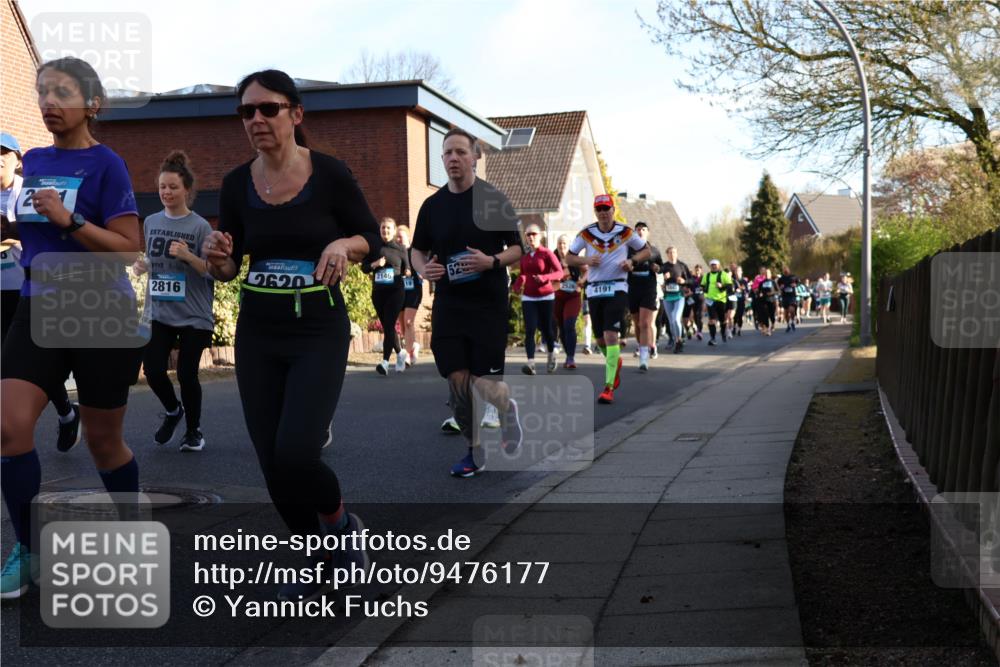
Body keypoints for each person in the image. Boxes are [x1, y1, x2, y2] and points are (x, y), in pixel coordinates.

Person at [202, 69, 379, 601]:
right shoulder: (236, 183)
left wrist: (342, 245)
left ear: (295, 114)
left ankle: (341, 525)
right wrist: (218, 256)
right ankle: (319, 548)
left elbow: (371, 238)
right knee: (273, 467)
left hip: (318, 330)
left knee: (297, 453)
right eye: (246, 111)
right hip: (259, 331)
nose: (256, 119)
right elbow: (228, 268)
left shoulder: (330, 174)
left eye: (268, 108)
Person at [1, 58, 144, 598]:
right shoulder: (35, 160)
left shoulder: (108, 165)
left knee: (104, 443)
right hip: (37, 305)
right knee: (8, 426)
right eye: (43, 93)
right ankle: (30, 549)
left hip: (99, 310)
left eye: (62, 93)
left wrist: (72, 220)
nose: (49, 103)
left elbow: (128, 248)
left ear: (92, 103)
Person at [410, 128, 524, 477]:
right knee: (458, 382)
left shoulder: (493, 200)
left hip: (487, 305)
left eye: (461, 152)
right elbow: (417, 250)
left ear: (475, 157)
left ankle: (507, 410)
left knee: (483, 384)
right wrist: (423, 270)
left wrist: (491, 261)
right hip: (449, 304)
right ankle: (474, 451)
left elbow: (517, 249)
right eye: (448, 153)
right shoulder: (433, 206)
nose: (454, 158)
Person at [1, 133, 81, 453]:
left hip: (27, 288)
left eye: (4, 154)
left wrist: (10, 232)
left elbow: (45, 232)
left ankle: (64, 412)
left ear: (17, 160)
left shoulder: (28, 191)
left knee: (31, 363)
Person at [132, 151, 215, 452]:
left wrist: (188, 256)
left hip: (194, 312)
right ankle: (172, 410)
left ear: (187, 190)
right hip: (160, 310)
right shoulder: (151, 221)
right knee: (153, 370)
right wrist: (144, 265)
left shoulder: (201, 227)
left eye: (173, 187)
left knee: (186, 373)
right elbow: (154, 258)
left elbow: (213, 271)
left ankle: (194, 431)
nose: (166, 192)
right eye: (162, 187)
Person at [565, 194, 650, 404]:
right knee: (600, 339)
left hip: (618, 287)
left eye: (606, 208)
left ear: (613, 210)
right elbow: (569, 257)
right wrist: (586, 259)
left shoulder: (625, 231)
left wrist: (632, 261)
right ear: (596, 212)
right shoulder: (587, 233)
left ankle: (608, 387)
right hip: (594, 289)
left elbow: (646, 251)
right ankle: (615, 360)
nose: (603, 213)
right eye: (599, 209)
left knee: (611, 335)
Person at [511, 223, 562, 375]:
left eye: (534, 234)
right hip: (529, 297)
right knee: (530, 329)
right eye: (528, 235)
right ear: (525, 237)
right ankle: (531, 363)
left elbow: (559, 272)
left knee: (547, 329)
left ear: (540, 236)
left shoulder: (547, 253)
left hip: (546, 296)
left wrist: (545, 277)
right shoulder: (525, 256)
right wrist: (516, 285)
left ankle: (551, 355)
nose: (531, 237)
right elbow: (523, 274)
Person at [362, 217, 409, 374]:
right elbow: (364, 268)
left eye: (389, 228)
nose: (385, 230)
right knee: (388, 326)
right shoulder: (374, 248)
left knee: (389, 324)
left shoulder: (401, 249)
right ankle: (400, 353)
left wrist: (408, 272)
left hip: (396, 292)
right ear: (380, 230)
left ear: (394, 230)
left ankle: (385, 362)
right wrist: (375, 264)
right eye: (383, 228)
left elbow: (408, 268)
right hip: (378, 293)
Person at [626, 221, 663, 372]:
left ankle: (644, 358)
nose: (641, 231)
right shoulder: (628, 249)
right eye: (638, 229)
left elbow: (661, 267)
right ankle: (641, 347)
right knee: (637, 324)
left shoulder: (654, 250)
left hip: (649, 288)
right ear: (635, 232)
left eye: (643, 229)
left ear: (648, 232)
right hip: (633, 287)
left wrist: (657, 268)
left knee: (645, 323)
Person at [553, 234, 585, 369]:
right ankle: (568, 355)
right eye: (560, 243)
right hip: (557, 297)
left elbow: (588, 271)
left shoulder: (574, 258)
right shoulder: (552, 258)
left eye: (564, 243)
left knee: (569, 325)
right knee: (561, 327)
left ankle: (571, 358)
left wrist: (582, 281)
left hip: (573, 297)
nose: (562, 246)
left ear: (569, 245)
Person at [395, 224, 422, 366]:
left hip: (414, 290)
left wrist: (421, 272)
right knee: (403, 325)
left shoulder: (414, 252)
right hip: (399, 292)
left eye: (401, 236)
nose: (398, 239)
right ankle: (414, 346)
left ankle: (406, 354)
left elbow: (423, 265)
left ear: (408, 237)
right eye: (396, 237)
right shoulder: (394, 254)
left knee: (409, 322)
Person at [660, 246, 691, 353]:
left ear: (677, 254)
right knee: (671, 321)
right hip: (667, 297)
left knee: (676, 318)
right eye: (670, 252)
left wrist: (684, 281)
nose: (672, 254)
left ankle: (679, 341)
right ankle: (676, 339)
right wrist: (663, 278)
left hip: (679, 296)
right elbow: (657, 280)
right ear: (667, 254)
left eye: (674, 252)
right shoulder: (664, 267)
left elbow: (691, 280)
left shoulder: (682, 266)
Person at [701, 259, 732, 346]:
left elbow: (730, 286)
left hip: (721, 300)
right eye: (712, 265)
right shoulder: (706, 275)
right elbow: (702, 285)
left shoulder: (724, 274)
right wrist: (703, 291)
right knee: (711, 320)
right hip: (710, 300)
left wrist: (722, 286)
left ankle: (723, 333)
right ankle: (713, 338)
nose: (714, 266)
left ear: (719, 265)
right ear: (710, 266)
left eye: (715, 265)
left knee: (723, 320)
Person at [753, 267, 778, 335]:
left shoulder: (773, 282)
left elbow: (778, 291)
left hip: (772, 300)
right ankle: (767, 329)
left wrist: (771, 293)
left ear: (770, 274)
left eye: (768, 273)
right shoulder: (762, 282)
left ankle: (773, 323)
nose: (767, 274)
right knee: (765, 315)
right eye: (766, 273)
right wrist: (759, 293)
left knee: (772, 315)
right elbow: (759, 291)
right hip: (764, 301)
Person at [777, 266, 799, 333]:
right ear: (783, 271)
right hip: (785, 296)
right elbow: (778, 285)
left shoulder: (793, 276)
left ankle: (792, 321)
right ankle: (788, 324)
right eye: (784, 270)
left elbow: (798, 282)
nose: (785, 271)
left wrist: (795, 285)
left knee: (791, 309)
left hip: (792, 296)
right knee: (786, 312)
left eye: (786, 270)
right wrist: (781, 287)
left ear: (789, 270)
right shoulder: (781, 278)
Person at [731, 264, 749, 337]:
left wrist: (744, 291)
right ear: (735, 272)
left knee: (740, 315)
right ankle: (734, 327)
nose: (737, 272)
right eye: (736, 271)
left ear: (741, 272)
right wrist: (735, 290)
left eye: (739, 271)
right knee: (735, 315)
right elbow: (730, 290)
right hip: (734, 300)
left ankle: (739, 329)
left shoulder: (744, 281)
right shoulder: (732, 280)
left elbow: (747, 291)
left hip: (741, 300)